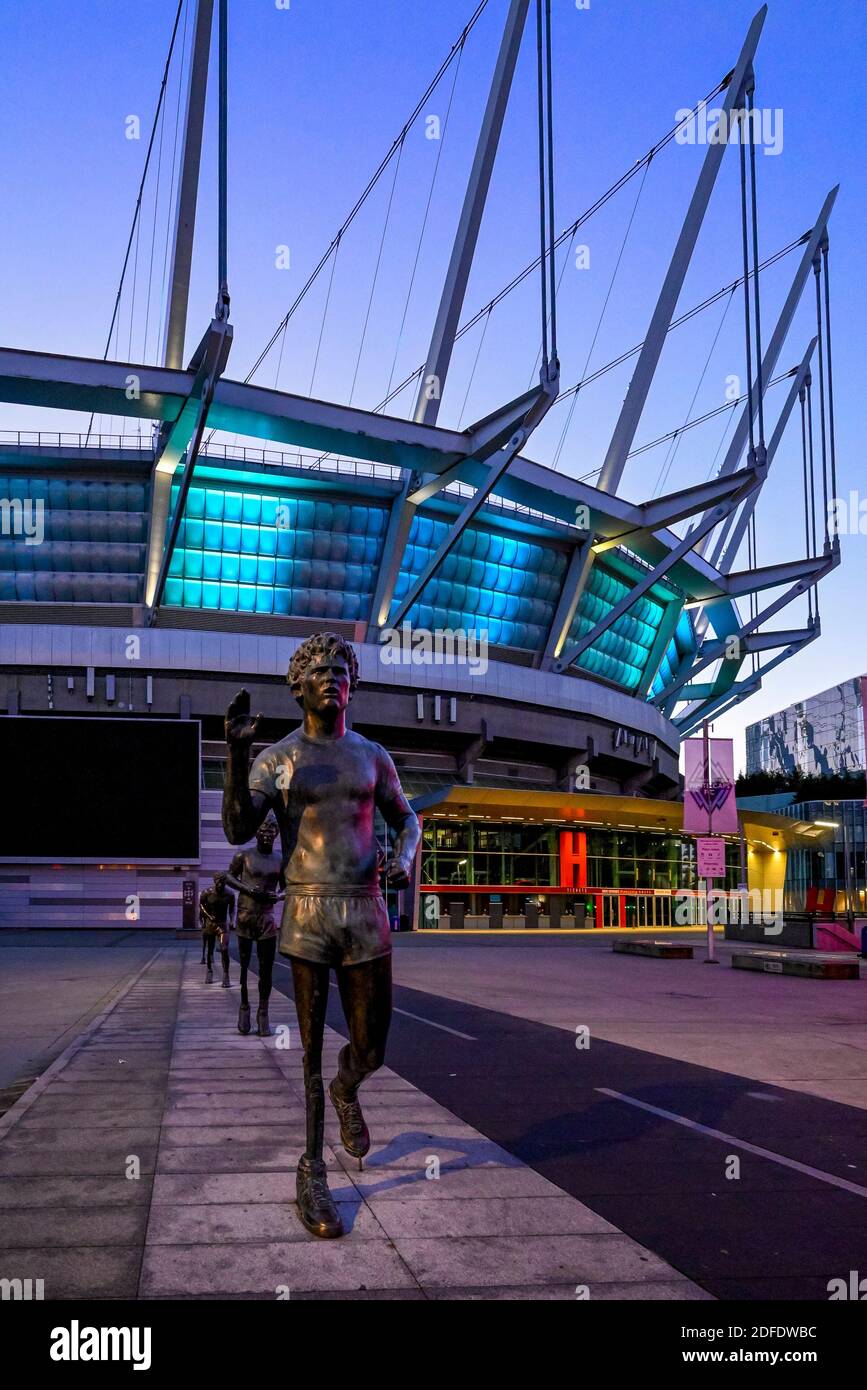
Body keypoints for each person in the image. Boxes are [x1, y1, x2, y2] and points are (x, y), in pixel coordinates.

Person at [222, 632, 419, 1239]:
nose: (332, 678)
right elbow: (236, 829)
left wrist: (406, 856)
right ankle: (311, 1167)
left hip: (366, 910)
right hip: (307, 910)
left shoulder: (372, 755)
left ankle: (347, 1084)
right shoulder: (276, 758)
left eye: (341, 669)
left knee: (373, 1048)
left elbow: (405, 817)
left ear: (352, 683)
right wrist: (234, 755)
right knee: (307, 1050)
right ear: (298, 687)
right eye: (319, 672)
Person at [223, 817, 283, 1036]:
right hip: (246, 916)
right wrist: (248, 889)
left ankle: (263, 1011)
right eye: (263, 831)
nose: (267, 835)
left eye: (271, 832)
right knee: (245, 967)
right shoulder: (244, 856)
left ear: (276, 835)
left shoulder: (280, 860)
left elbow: (288, 888)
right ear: (256, 833)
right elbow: (228, 876)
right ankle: (245, 1005)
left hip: (267, 918)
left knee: (266, 970)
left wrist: (277, 896)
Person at [198, 872, 234, 984]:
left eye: (223, 882)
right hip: (210, 924)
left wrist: (232, 920)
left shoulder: (230, 894)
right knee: (210, 949)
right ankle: (209, 970)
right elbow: (201, 906)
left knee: (224, 949)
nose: (220, 885)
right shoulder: (206, 893)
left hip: (222, 924)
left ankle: (226, 974)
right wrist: (207, 916)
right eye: (218, 882)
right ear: (214, 881)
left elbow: (232, 910)